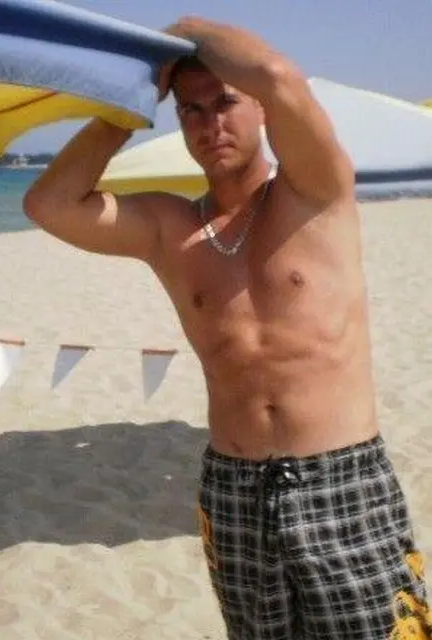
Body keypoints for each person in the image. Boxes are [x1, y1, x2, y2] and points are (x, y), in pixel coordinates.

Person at [23, 16, 431, 639]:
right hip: (234, 488)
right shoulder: (170, 228)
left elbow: (278, 75)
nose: (209, 124)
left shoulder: (314, 191)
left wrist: (181, 31)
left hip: (342, 477)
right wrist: (126, 108)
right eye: (190, 110)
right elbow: (48, 205)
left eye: (225, 103)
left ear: (260, 109)